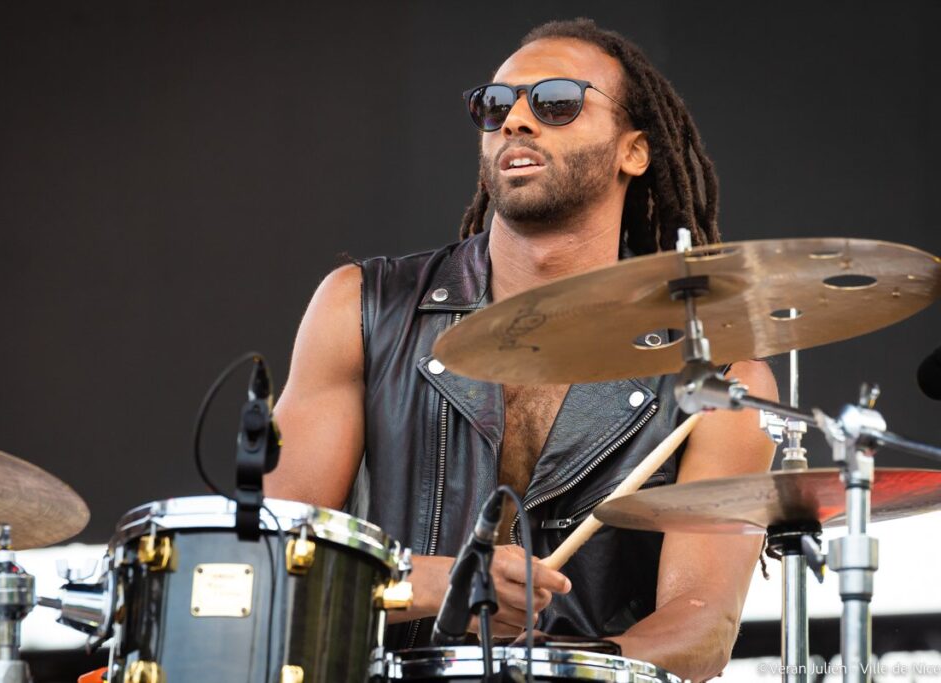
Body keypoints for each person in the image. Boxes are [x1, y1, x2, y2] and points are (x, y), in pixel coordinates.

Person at [267, 17, 777, 683]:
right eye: (495, 105)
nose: (515, 122)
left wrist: (555, 670)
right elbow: (274, 561)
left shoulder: (719, 376)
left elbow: (701, 625)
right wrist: (440, 583)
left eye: (556, 102)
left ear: (634, 151)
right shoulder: (360, 308)